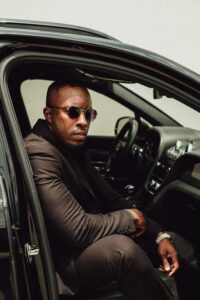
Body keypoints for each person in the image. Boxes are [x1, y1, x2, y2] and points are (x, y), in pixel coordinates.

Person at [25, 81, 179, 300]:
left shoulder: (70, 147)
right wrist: (128, 219)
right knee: (122, 251)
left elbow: (111, 198)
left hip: (79, 248)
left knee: (166, 241)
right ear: (49, 115)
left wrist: (158, 235)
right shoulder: (40, 153)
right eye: (73, 112)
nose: (83, 122)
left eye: (89, 114)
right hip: (61, 264)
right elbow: (77, 230)